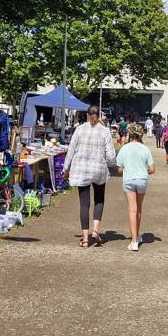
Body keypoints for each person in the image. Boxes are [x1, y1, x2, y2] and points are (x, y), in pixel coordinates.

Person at [62, 105, 116, 248]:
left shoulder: (79, 130)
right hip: (98, 170)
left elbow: (71, 152)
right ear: (99, 116)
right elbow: (111, 156)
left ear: (86, 115)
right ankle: (96, 230)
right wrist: (109, 163)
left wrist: (66, 170)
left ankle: (85, 239)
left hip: (81, 170)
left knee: (84, 203)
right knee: (99, 199)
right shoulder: (105, 131)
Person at [116, 123, 155, 252]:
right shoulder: (145, 149)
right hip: (142, 179)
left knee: (132, 209)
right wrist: (142, 170)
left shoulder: (124, 148)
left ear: (130, 134)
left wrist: (128, 168)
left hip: (129, 179)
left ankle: (133, 241)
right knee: (138, 209)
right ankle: (137, 236)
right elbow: (152, 169)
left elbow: (120, 169)